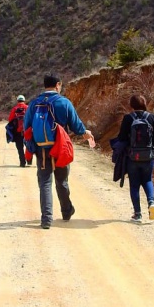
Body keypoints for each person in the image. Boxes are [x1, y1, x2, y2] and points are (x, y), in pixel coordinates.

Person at [24, 75, 95, 229]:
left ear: (44, 86)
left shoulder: (34, 103)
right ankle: (66, 211)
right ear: (57, 85)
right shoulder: (64, 102)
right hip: (60, 148)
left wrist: (31, 148)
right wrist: (85, 132)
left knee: (45, 183)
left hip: (42, 149)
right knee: (61, 181)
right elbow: (76, 125)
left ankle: (46, 220)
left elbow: (26, 128)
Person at [115, 93, 154, 222]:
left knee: (134, 184)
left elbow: (122, 138)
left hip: (132, 157)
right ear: (144, 103)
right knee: (147, 180)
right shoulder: (152, 118)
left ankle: (137, 214)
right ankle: (151, 203)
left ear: (131, 105)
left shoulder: (128, 118)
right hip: (148, 156)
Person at [8, 94, 31, 167]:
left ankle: (22, 162)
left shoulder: (14, 109)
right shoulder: (28, 108)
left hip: (17, 132)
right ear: (24, 101)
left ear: (17, 101)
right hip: (27, 131)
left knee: (20, 148)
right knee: (29, 146)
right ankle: (29, 160)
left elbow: (10, 119)